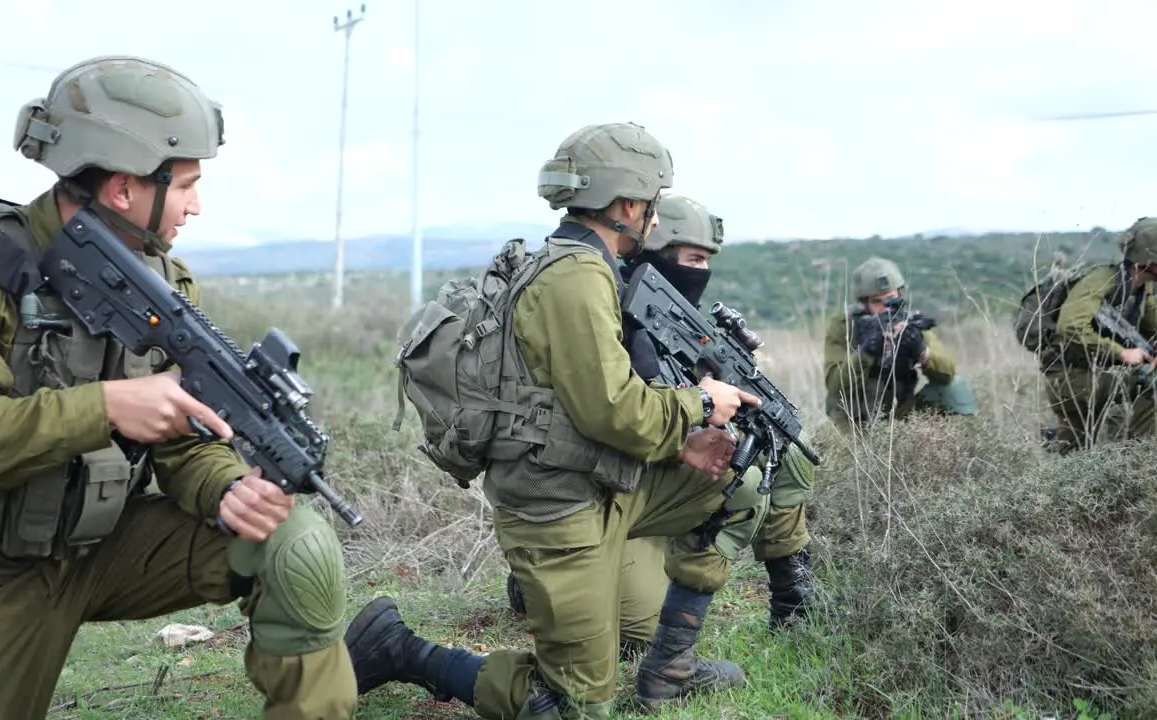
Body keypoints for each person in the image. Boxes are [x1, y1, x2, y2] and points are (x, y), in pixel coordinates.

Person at [0, 56, 355, 720]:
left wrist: (227, 489)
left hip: (103, 548)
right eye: (186, 184)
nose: (197, 204)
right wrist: (106, 407)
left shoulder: (167, 285)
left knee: (294, 544)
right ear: (125, 187)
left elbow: (188, 444)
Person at [345, 122, 765, 719]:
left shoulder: (586, 265)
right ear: (626, 204)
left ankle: (669, 669)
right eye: (650, 203)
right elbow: (616, 410)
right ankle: (405, 652)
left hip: (603, 485)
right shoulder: (577, 275)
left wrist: (692, 434)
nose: (653, 217)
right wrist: (701, 404)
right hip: (558, 507)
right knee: (573, 708)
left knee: (739, 482)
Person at [502, 193, 816, 649]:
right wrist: (695, 411)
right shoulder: (601, 308)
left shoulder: (675, 323)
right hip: (601, 489)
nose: (700, 273)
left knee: (781, 443)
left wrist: (722, 404)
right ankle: (539, 582)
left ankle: (793, 597)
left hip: (654, 486)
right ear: (656, 250)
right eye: (692, 258)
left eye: (707, 261)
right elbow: (614, 416)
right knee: (638, 637)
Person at [1040, 218, 1157, 453]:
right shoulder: (1103, 280)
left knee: (1072, 454)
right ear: (1150, 260)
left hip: (1091, 376)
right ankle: (1139, 459)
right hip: (1068, 379)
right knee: (1150, 383)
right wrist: (1122, 353)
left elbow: (1152, 324)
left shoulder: (1142, 288)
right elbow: (1070, 326)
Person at [823, 256, 978, 428]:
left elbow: (947, 372)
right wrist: (866, 352)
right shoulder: (845, 325)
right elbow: (833, 385)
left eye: (890, 300)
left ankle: (956, 445)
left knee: (955, 387)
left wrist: (921, 351)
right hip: (855, 419)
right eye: (876, 302)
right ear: (863, 303)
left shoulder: (907, 322)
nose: (885, 308)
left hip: (901, 414)